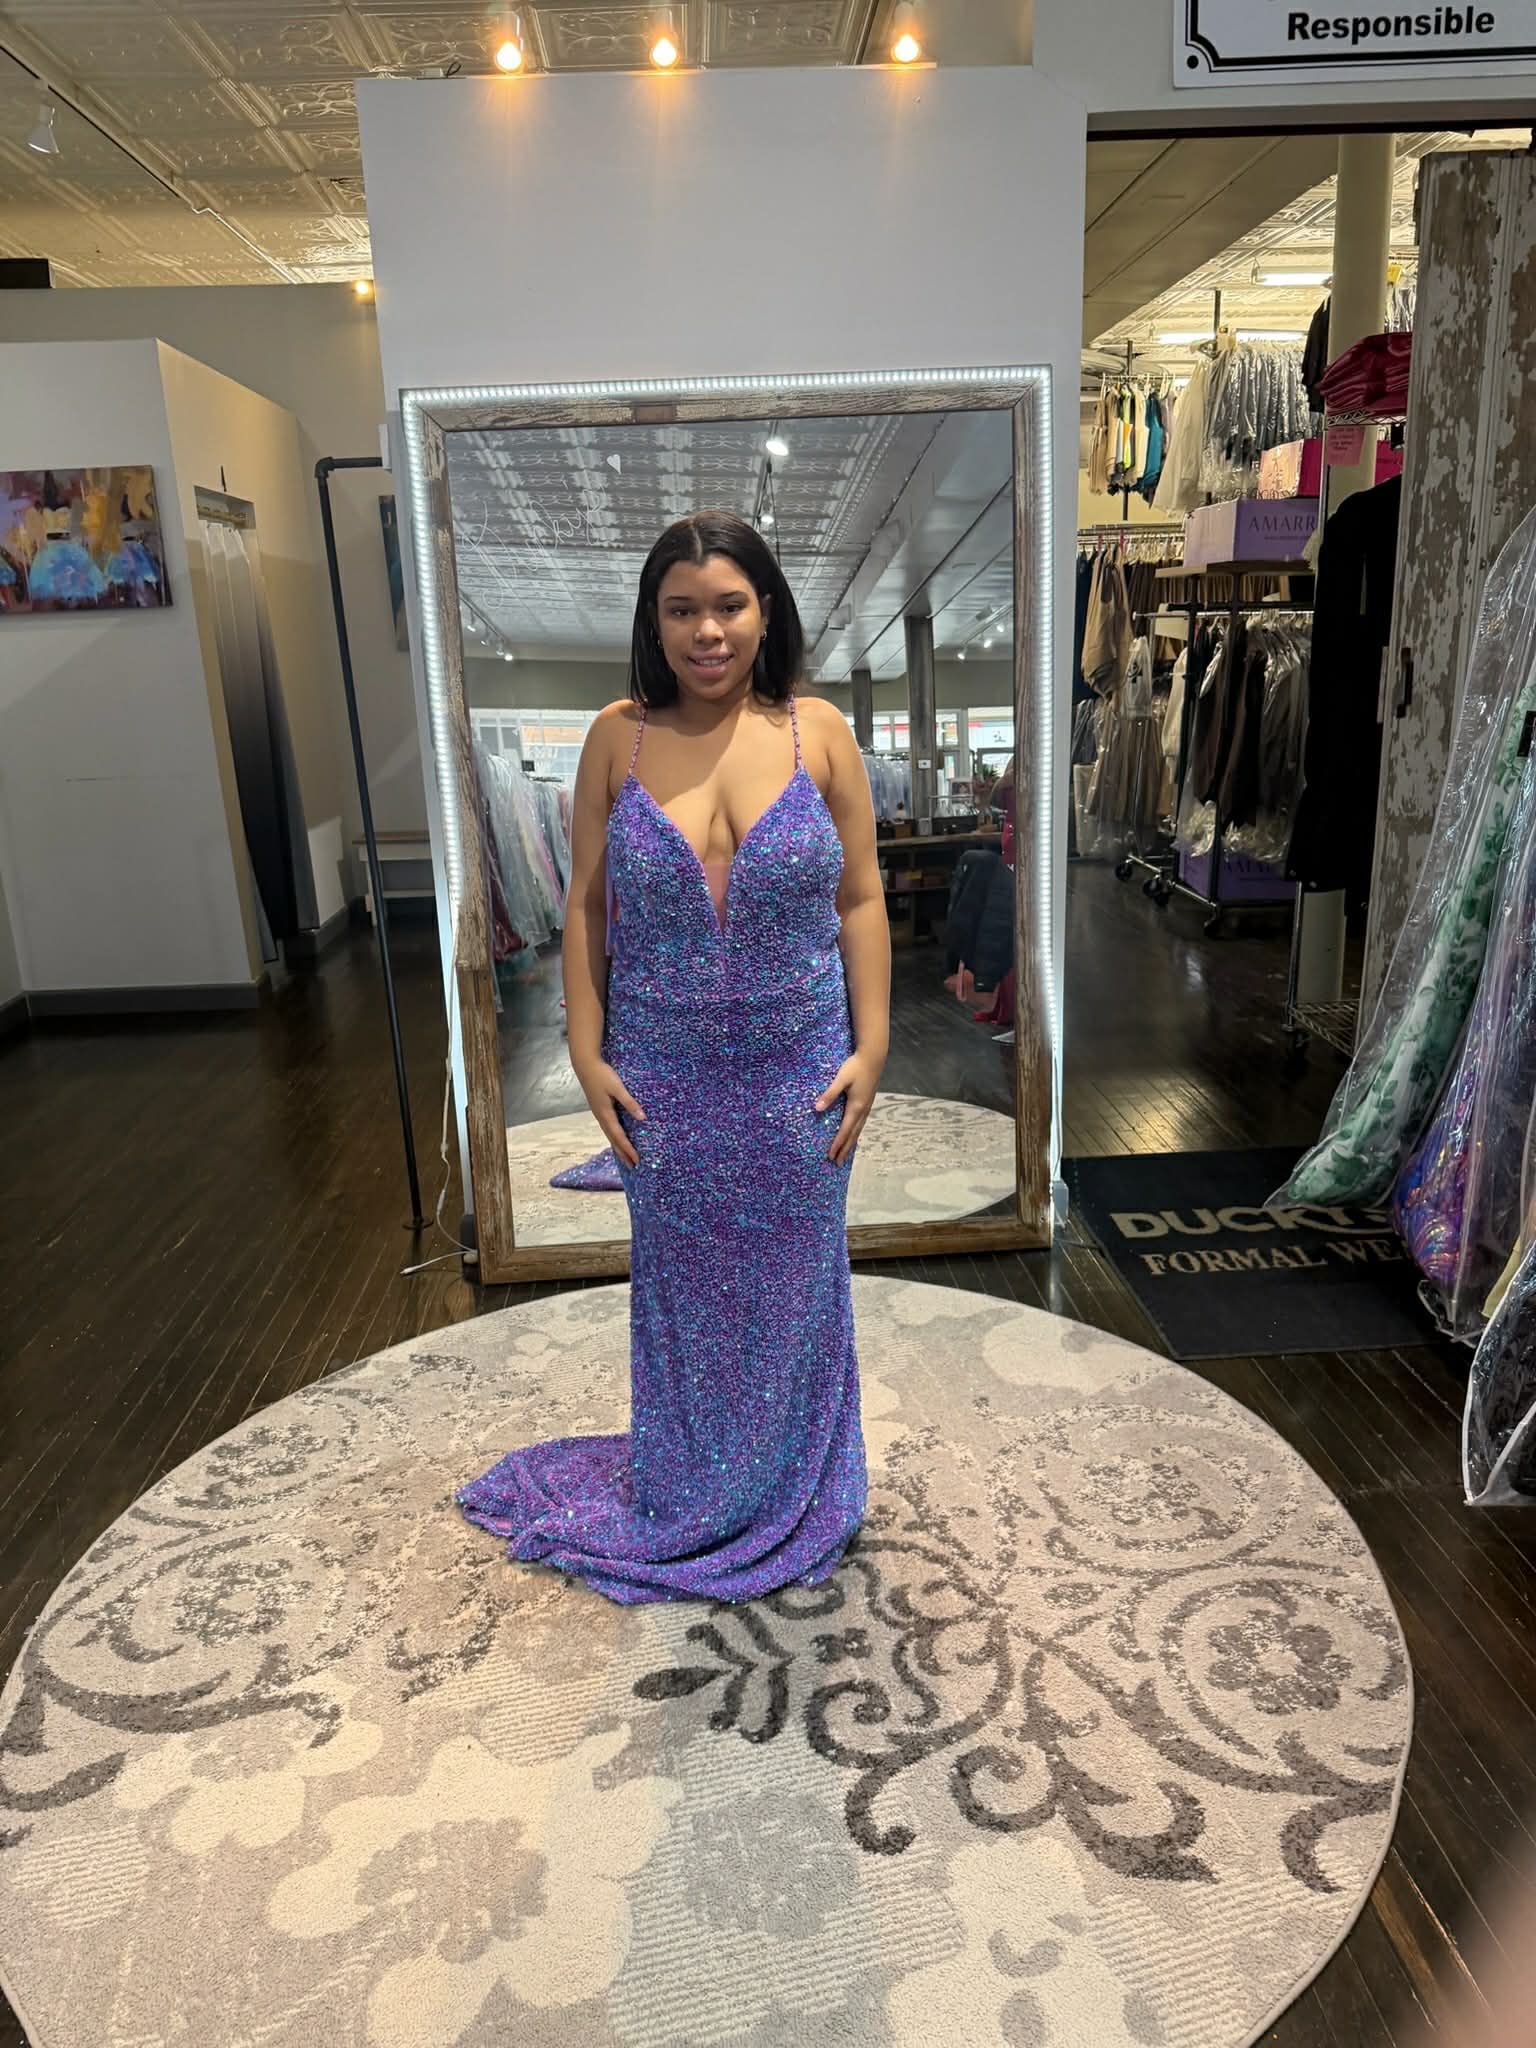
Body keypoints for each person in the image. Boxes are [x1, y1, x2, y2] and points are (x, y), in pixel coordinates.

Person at [457, 510, 890, 1603]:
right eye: (683, 608)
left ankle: (797, 1484)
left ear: (768, 610)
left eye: (730, 604)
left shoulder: (819, 733)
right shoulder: (619, 736)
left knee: (797, 1292)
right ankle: (693, 1487)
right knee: (686, 1300)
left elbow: (862, 897)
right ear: (655, 622)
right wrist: (585, 1051)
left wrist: (875, 1043)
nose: (709, 630)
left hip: (800, 1076)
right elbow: (588, 909)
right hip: (666, 1082)